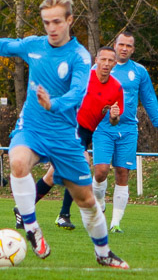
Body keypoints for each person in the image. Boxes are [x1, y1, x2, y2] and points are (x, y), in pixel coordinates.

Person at [0, 0, 128, 269]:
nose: (51, 28)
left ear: (69, 20)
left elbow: (79, 91)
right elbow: (3, 45)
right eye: (46, 22)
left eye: (57, 21)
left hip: (64, 135)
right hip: (32, 127)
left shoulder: (78, 56)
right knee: (17, 161)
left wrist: (54, 104)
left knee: (87, 200)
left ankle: (103, 253)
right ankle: (32, 229)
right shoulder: (34, 46)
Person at [13, 46, 124, 230]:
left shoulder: (116, 88)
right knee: (80, 165)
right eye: (103, 59)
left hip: (86, 133)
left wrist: (114, 117)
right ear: (96, 60)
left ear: (115, 63)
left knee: (53, 175)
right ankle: (63, 215)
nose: (106, 64)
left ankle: (23, 209)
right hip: (69, 126)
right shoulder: (83, 77)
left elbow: (114, 121)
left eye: (110, 60)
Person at [92, 31, 158, 233]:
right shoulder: (98, 69)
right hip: (103, 128)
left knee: (122, 173)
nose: (124, 48)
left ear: (133, 49)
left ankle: (115, 223)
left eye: (129, 46)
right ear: (115, 46)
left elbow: (149, 99)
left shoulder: (139, 72)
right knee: (100, 172)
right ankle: (100, 203)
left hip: (127, 129)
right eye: (121, 44)